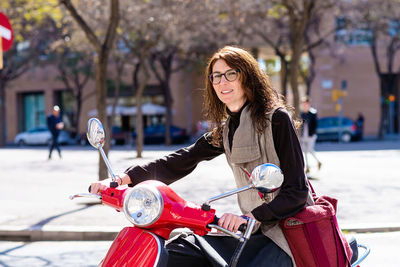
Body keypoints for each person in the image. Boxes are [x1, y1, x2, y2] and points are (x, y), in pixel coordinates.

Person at [90, 46, 313, 266]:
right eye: (216, 76)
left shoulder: (276, 119)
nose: (222, 82)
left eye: (230, 74)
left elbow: (297, 192)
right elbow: (184, 158)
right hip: (250, 230)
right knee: (180, 249)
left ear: (247, 77)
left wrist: (251, 217)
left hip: (284, 233)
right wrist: (121, 179)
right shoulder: (228, 129)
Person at [300, 97, 322, 174]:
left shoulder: (313, 113)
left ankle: (318, 161)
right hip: (304, 135)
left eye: (305, 104)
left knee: (309, 149)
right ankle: (308, 166)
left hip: (311, 135)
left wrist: (312, 134)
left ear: (308, 104)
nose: (304, 105)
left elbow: (315, 125)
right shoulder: (302, 114)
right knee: (304, 151)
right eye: (303, 104)